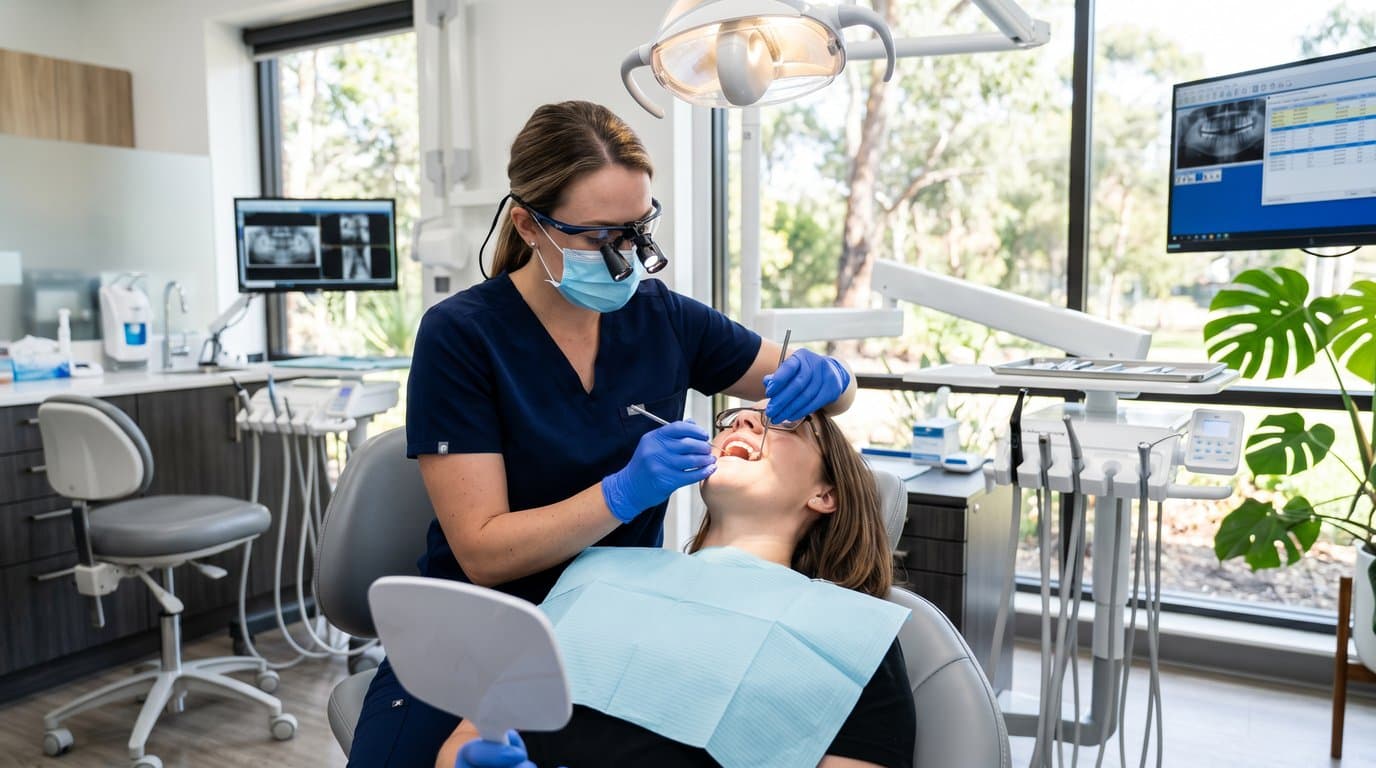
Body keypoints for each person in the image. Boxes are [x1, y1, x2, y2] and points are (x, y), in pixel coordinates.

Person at [347, 100, 859, 766]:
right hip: (477, 634)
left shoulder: (665, 320)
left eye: (638, 229)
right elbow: (482, 553)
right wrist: (621, 494)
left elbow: (821, 392)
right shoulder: (463, 337)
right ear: (529, 226)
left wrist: (834, 377)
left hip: (611, 627)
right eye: (600, 237)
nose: (628, 257)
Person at [436, 406, 915, 768]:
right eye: (733, 418)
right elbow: (468, 738)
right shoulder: (595, 572)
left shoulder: (851, 632)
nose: (743, 421)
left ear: (825, 494)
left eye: (785, 423)